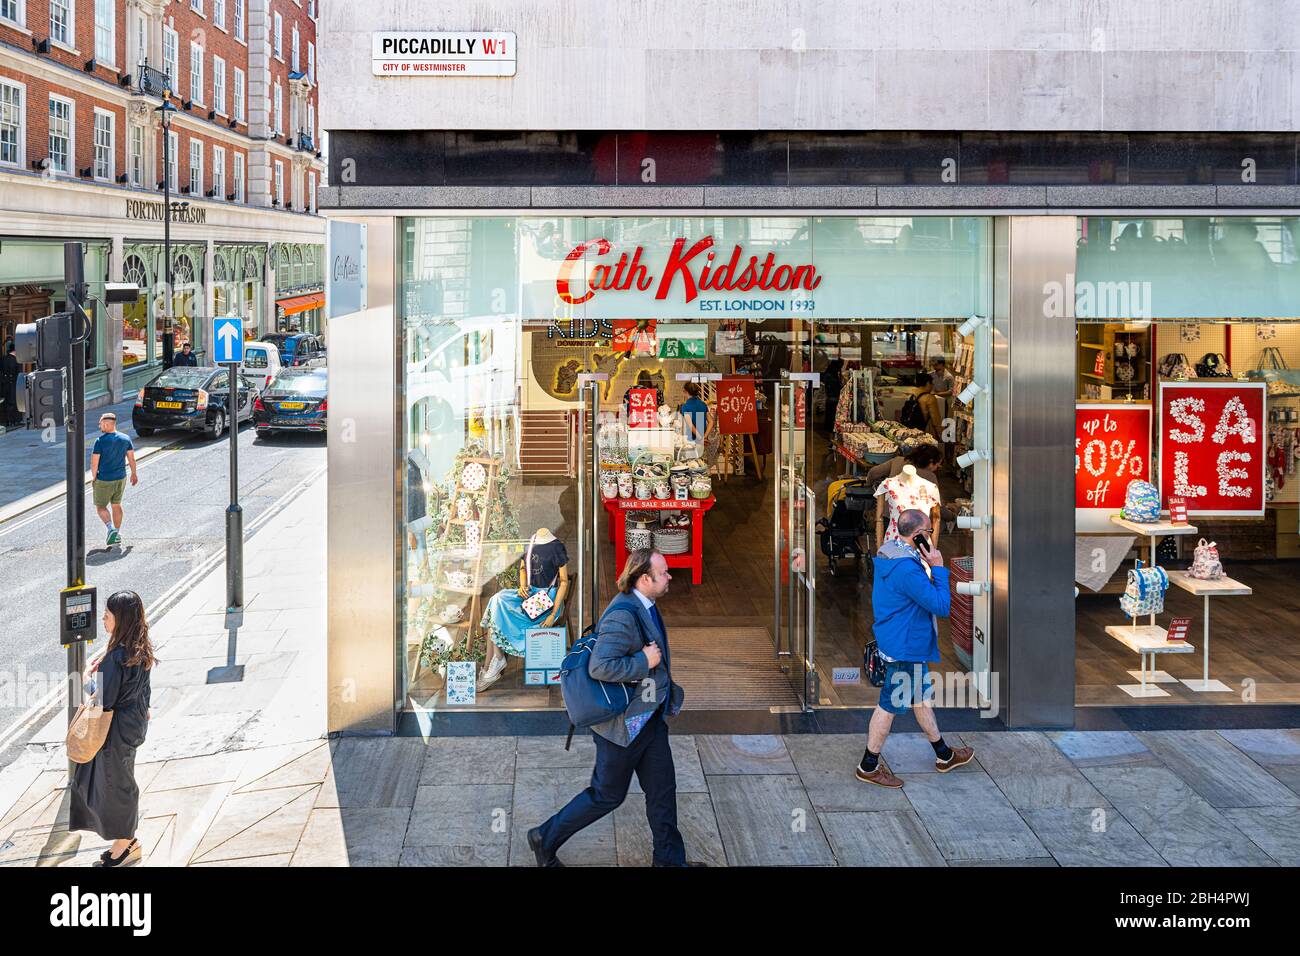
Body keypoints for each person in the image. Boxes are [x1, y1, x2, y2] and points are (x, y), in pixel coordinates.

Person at [528, 549, 697, 867]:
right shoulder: (623, 614)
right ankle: (544, 837)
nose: (670, 576)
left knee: (662, 791)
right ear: (645, 578)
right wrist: (642, 661)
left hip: (648, 720)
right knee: (606, 795)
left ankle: (670, 861)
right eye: (664, 572)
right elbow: (601, 666)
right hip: (623, 728)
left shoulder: (645, 605)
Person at [857, 509, 973, 788]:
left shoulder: (889, 552)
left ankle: (944, 754)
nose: (931, 537)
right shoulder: (908, 570)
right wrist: (939, 567)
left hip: (897, 638)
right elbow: (941, 605)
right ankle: (868, 765)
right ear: (919, 535)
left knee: (921, 699)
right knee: (889, 705)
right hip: (906, 647)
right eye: (929, 533)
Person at [70, 590, 154, 867]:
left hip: (114, 732)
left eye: (107, 615)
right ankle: (125, 841)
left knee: (117, 786)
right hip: (132, 726)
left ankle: (127, 844)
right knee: (119, 781)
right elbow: (140, 689)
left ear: (120, 619)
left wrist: (85, 680)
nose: (103, 620)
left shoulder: (115, 657)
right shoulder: (140, 647)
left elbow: (104, 700)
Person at [90, 413, 138, 546]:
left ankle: (111, 529)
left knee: (101, 507)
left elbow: (94, 463)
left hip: (104, 479)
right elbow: (131, 459)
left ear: (106, 424)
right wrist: (134, 474)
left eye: (100, 424)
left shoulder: (100, 441)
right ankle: (116, 533)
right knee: (116, 504)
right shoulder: (126, 438)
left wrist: (94, 477)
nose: (99, 426)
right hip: (121, 477)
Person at [865, 443, 942, 490]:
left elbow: (873, 472)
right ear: (931, 462)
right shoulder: (930, 477)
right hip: (911, 516)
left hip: (888, 512)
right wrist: (952, 515)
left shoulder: (898, 460)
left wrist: (869, 487)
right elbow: (938, 506)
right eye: (937, 466)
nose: (936, 469)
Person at [821, 359, 844, 433]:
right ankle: (830, 431)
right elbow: (835, 387)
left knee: (830, 416)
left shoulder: (830, 373)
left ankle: (829, 430)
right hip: (833, 397)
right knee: (831, 416)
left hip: (831, 398)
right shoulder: (831, 375)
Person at [2, 341, 20, 426]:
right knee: (13, 402)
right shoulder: (16, 360)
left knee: (6, 403)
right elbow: (18, 374)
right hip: (14, 384)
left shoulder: (3, 359)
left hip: (4, 384)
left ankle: (7, 421)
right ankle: (14, 421)